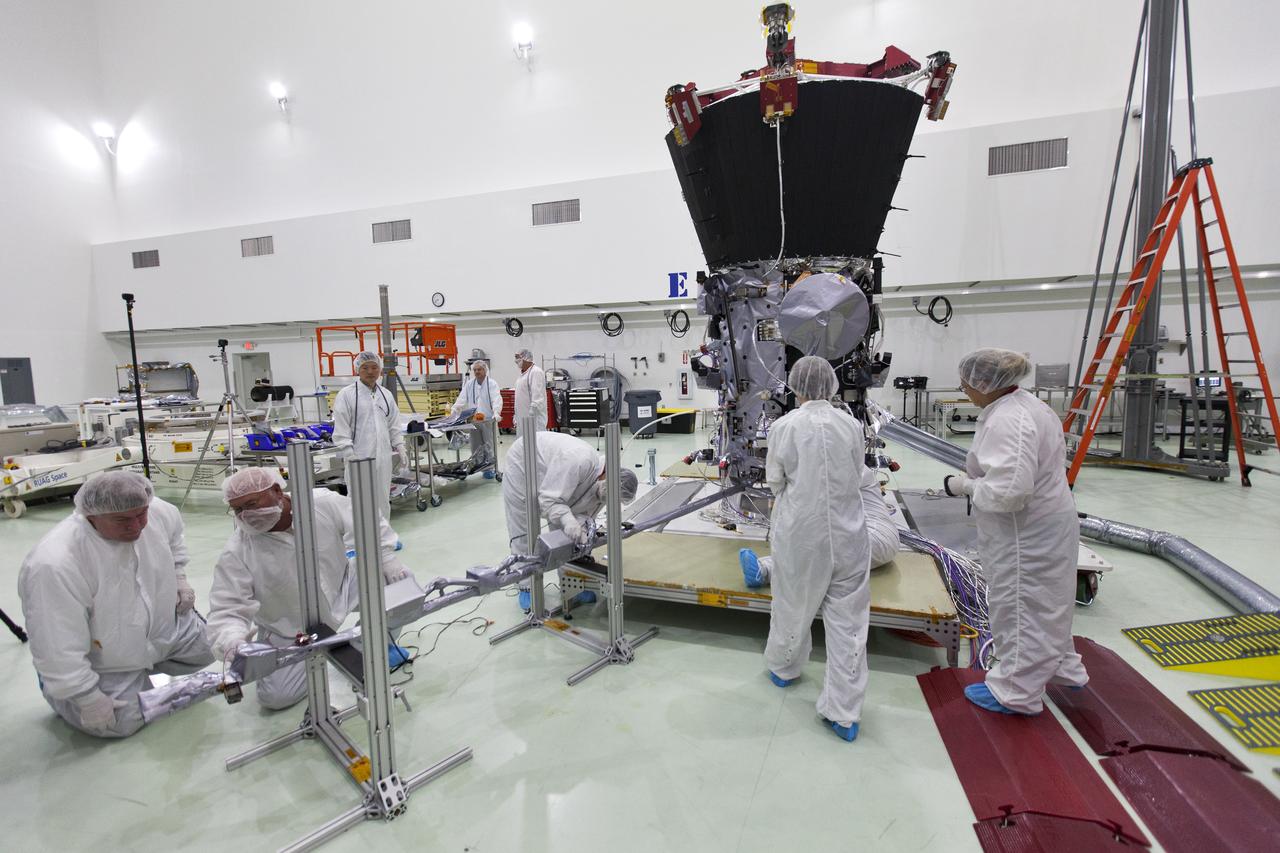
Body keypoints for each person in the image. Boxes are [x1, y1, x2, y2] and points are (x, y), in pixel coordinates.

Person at [941, 347, 1087, 715]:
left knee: (1020, 607)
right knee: (1050, 603)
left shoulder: (1008, 420)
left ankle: (1015, 692)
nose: (963, 389)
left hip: (1026, 533)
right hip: (1047, 522)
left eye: (967, 383)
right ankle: (1064, 667)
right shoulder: (1029, 407)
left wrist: (966, 486)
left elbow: (1009, 492)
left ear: (986, 383)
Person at [17, 471, 214, 738]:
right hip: (107, 658)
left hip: (159, 631)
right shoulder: (55, 563)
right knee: (120, 721)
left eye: (140, 514)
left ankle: (142, 676)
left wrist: (179, 578)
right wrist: (86, 698)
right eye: (121, 520)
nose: (135, 526)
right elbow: (56, 642)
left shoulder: (155, 511)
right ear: (91, 515)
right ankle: (61, 691)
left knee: (214, 645)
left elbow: (174, 537)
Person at [206, 468, 412, 710]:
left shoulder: (318, 504)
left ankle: (368, 649)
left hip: (342, 588)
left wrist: (386, 556)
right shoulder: (238, 550)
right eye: (238, 510)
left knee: (401, 586)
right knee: (276, 698)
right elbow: (227, 608)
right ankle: (324, 653)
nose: (245, 516)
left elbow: (364, 516)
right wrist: (233, 642)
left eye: (251, 504)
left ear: (276, 490)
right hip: (290, 626)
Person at [761, 356, 872, 742]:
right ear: (832, 385)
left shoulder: (784, 426)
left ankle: (785, 668)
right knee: (850, 624)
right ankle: (844, 713)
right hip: (850, 533)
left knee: (793, 604)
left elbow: (775, 480)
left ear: (795, 387)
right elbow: (858, 474)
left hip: (802, 534)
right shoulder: (851, 425)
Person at [502, 431, 639, 611]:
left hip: (552, 475)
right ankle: (527, 587)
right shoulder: (579, 461)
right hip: (524, 466)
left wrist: (580, 528)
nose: (607, 501)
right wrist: (568, 520)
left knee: (565, 535)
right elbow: (549, 500)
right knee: (525, 530)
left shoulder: (603, 483)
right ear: (609, 479)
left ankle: (572, 583)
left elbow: (582, 512)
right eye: (611, 497)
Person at [739, 465, 898, 586]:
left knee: (823, 558)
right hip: (858, 531)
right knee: (823, 554)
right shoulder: (837, 463)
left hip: (875, 537)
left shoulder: (851, 468)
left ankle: (765, 570)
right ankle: (766, 568)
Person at [332, 351, 406, 519]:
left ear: (380, 370)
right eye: (365, 368)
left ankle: (384, 537)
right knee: (358, 500)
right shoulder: (347, 394)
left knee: (382, 498)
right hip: (358, 457)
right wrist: (349, 453)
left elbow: (394, 423)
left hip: (383, 457)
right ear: (357, 369)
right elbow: (341, 427)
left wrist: (400, 446)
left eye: (374, 367)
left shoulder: (386, 395)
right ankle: (357, 539)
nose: (371, 372)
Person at [451, 359, 503, 478]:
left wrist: (496, 412)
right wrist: (455, 409)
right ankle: (479, 465)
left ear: (485, 370)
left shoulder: (492, 383)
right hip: (473, 420)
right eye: (475, 370)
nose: (477, 372)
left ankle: (490, 468)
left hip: (488, 419)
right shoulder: (470, 384)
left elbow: (496, 399)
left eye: (479, 369)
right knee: (476, 445)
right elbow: (462, 398)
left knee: (488, 444)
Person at [513, 349, 547, 434]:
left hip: (533, 419)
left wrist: (532, 412)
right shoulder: (522, 375)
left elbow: (537, 395)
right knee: (524, 443)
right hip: (522, 418)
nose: (516, 361)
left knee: (535, 443)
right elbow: (519, 398)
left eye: (518, 358)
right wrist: (516, 415)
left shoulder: (536, 372)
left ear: (526, 358)